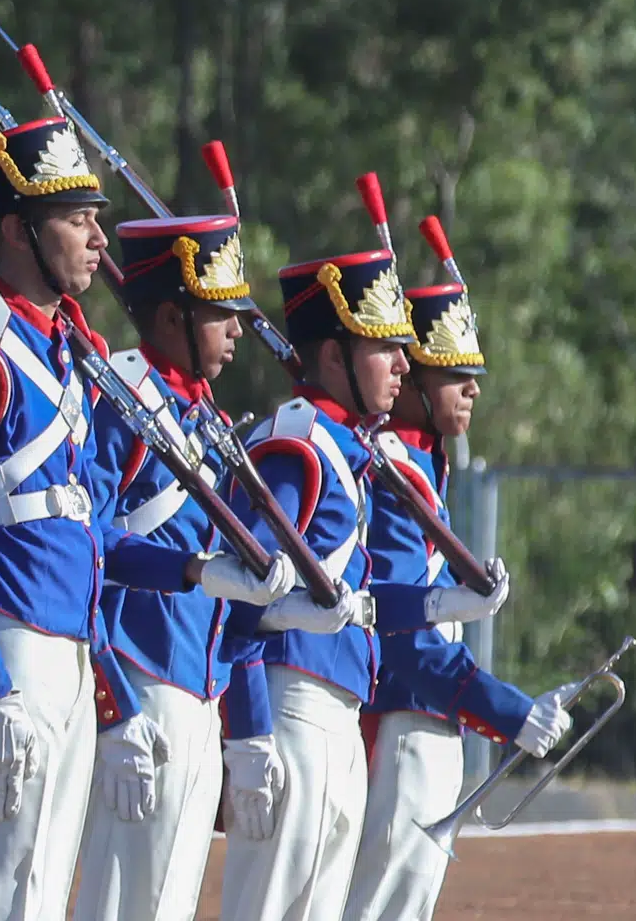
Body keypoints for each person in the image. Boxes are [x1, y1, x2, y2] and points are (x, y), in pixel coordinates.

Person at [0, 118, 295, 921]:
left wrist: (194, 570)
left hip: (71, 655)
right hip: (8, 645)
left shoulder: (65, 356)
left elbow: (89, 532)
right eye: (76, 218)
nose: (97, 236)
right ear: (20, 231)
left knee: (42, 899)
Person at [215, 240, 510, 921]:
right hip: (292, 705)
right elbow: (243, 595)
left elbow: (364, 604)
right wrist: (248, 731)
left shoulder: (347, 450)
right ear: (332, 356)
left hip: (339, 714)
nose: (405, 364)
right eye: (384, 348)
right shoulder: (297, 444)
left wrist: (447, 601)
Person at [74, 215, 320, 921]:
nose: (238, 327)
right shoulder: (125, 400)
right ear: (171, 316)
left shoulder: (203, 417)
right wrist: (114, 704)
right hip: (140, 675)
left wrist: (247, 727)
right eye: (220, 312)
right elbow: (87, 546)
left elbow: (232, 608)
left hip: (198, 689)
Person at [344, 243, 575, 921]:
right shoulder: (394, 474)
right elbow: (405, 641)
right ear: (411, 375)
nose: (472, 387)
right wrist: (509, 710)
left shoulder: (423, 472)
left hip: (430, 724)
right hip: (400, 724)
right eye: (454, 373)